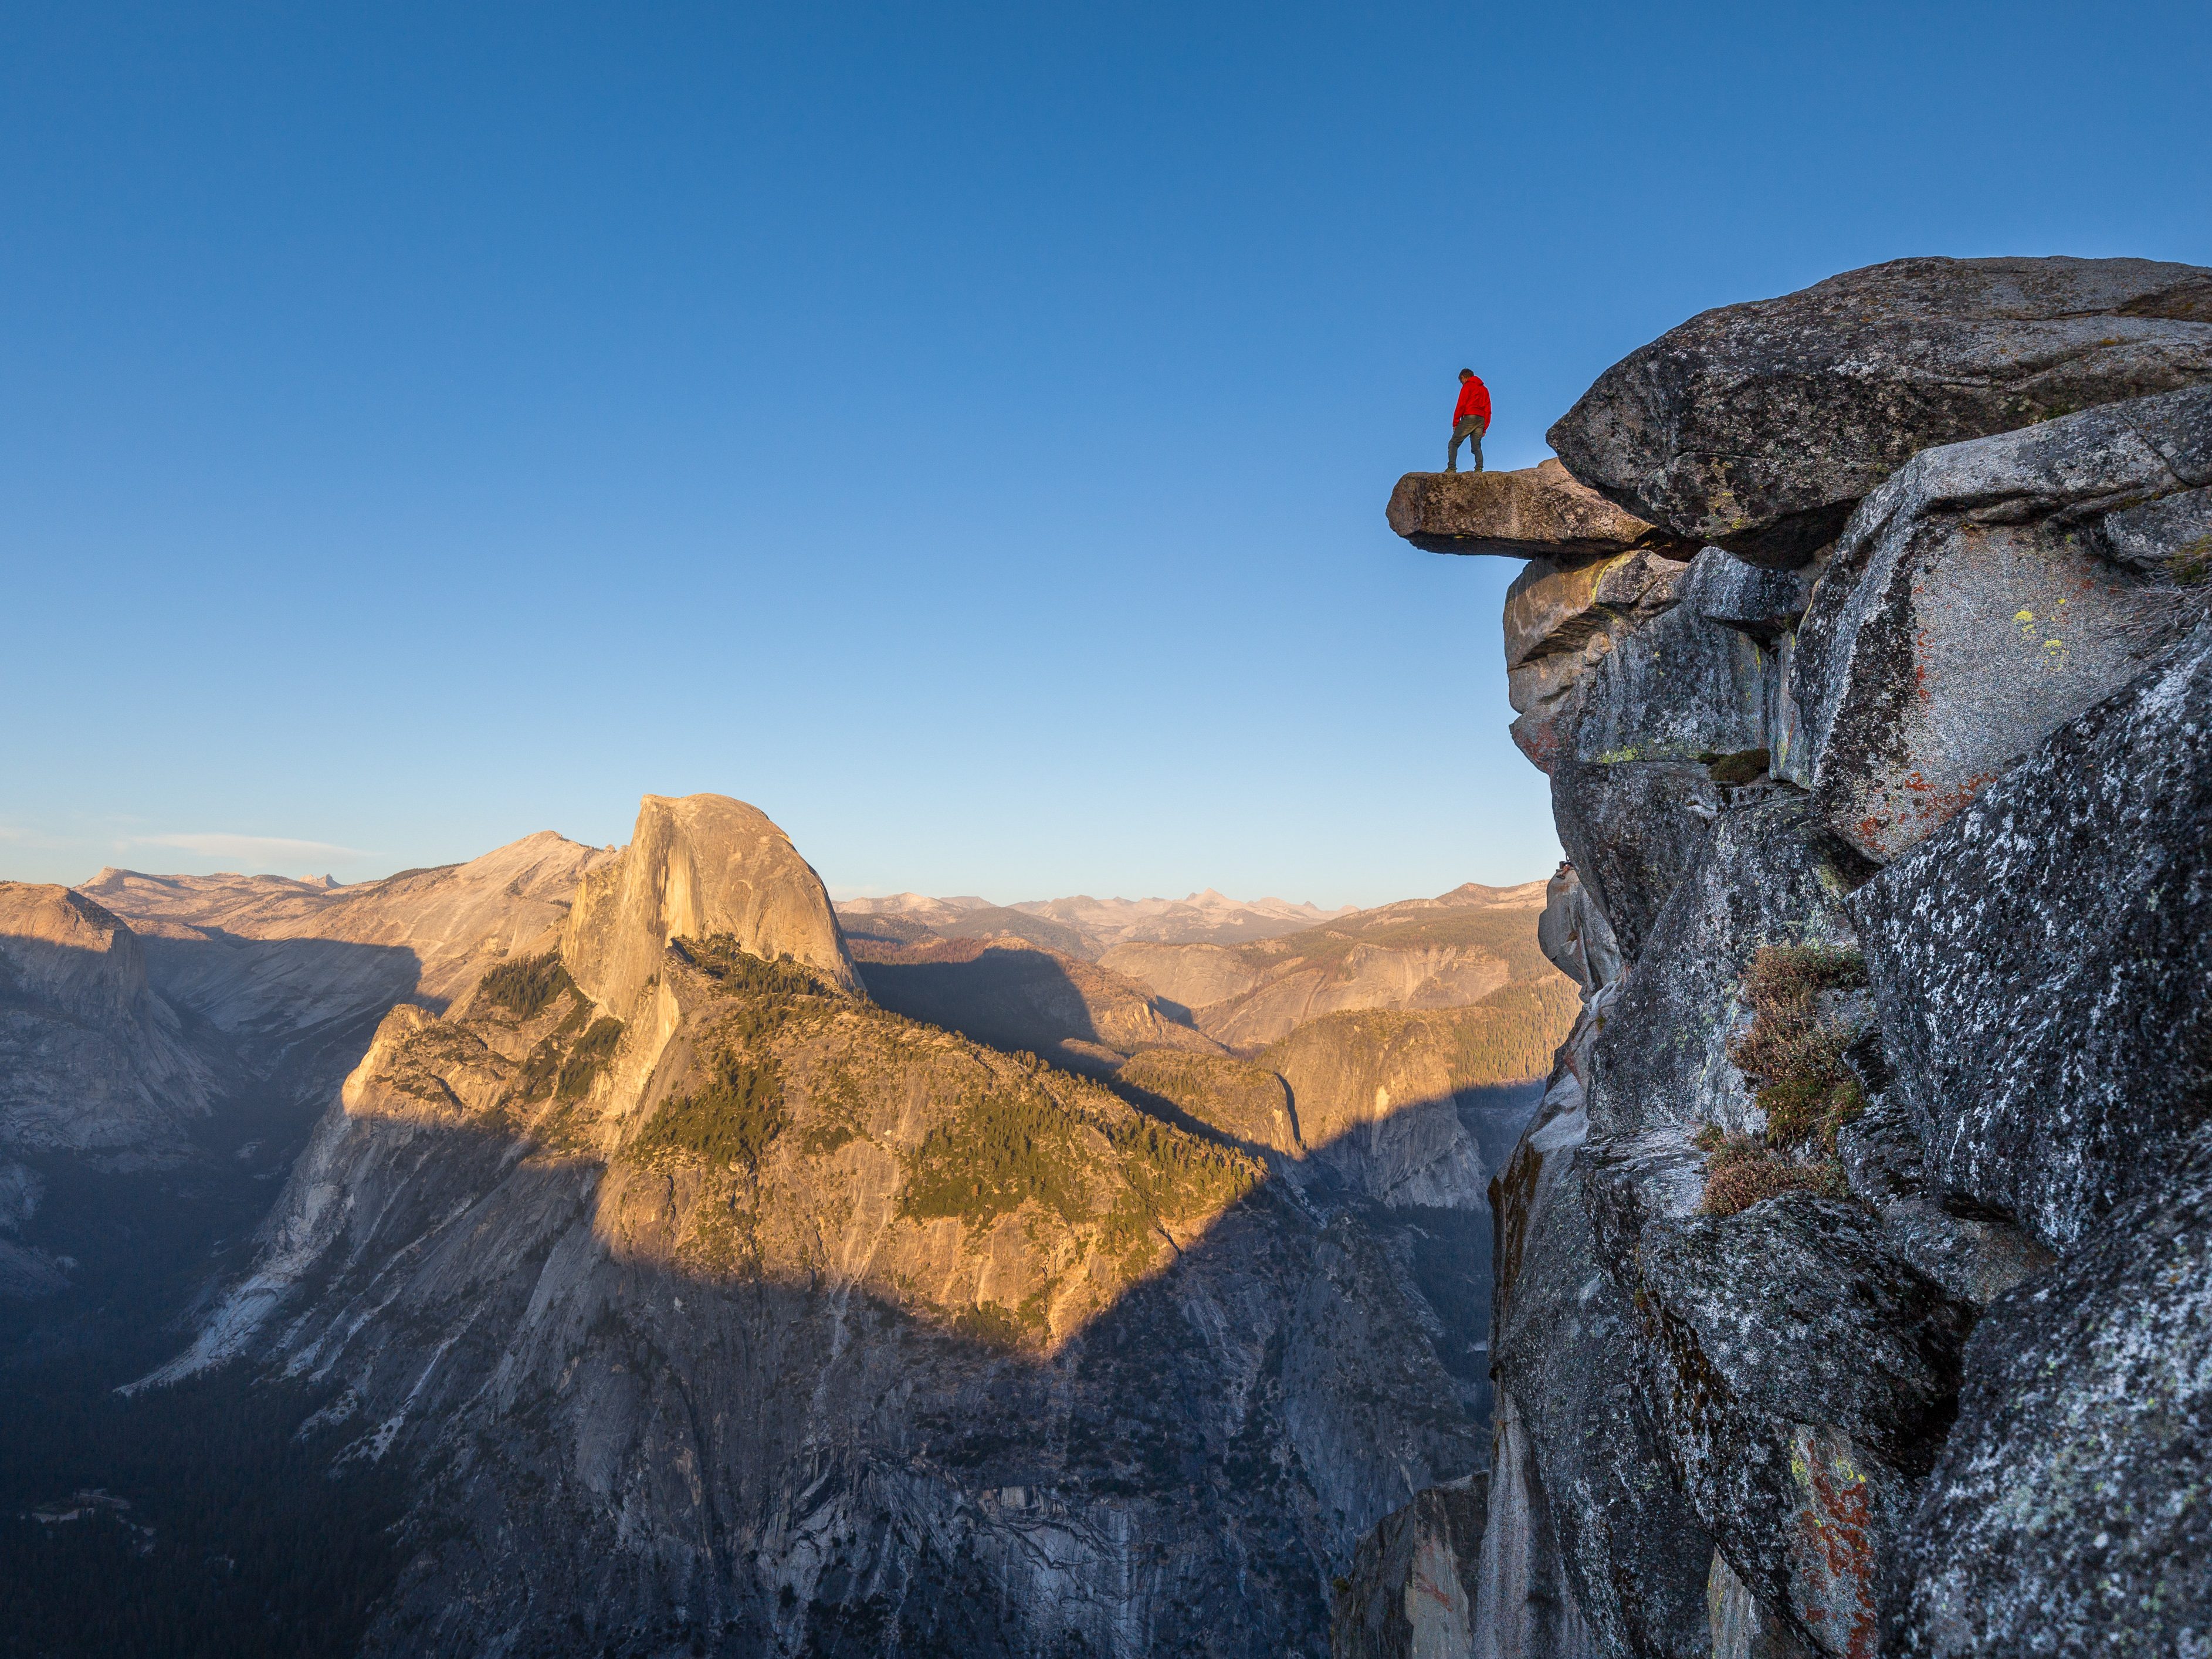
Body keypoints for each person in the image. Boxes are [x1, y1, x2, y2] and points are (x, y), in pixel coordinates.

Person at [1447, 368, 1490, 473]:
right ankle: (1479, 468)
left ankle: (1452, 468)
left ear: (1464, 377)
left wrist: (1456, 422)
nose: (1461, 383)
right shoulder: (1484, 389)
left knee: (1453, 443)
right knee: (1476, 445)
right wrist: (1485, 427)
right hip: (1481, 420)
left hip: (1470, 416)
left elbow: (1461, 405)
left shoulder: (1468, 386)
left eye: (1461, 381)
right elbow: (1488, 409)